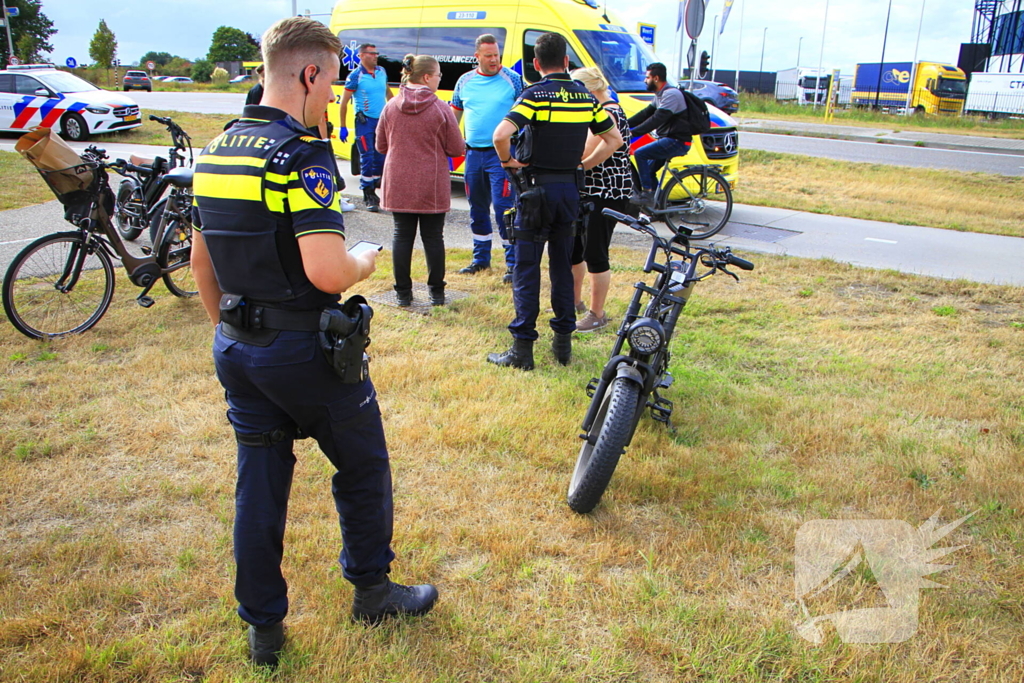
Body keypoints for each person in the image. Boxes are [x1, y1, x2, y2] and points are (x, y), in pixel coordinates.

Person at [189, 17, 437, 667]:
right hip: (308, 354)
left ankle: (263, 627)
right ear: (308, 74)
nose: (334, 96)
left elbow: (200, 265)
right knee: (362, 465)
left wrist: (233, 332)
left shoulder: (214, 152)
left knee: (260, 482)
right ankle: (373, 589)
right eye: (331, 82)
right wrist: (364, 256)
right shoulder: (299, 154)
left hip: (239, 350)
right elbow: (327, 270)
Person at [488, 32, 623, 370]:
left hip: (535, 194)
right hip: (570, 193)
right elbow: (613, 139)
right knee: (564, 268)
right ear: (566, 61)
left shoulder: (534, 95)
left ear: (536, 64)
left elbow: (500, 135)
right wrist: (583, 165)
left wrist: (508, 162)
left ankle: (522, 350)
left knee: (526, 270)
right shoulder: (584, 97)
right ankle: (563, 347)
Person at [376, 55, 465, 307]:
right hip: (431, 181)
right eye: (438, 75)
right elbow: (456, 147)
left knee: (401, 236)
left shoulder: (391, 106)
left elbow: (380, 145)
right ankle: (436, 292)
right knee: (433, 237)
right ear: (427, 77)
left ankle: (403, 293)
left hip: (398, 179)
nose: (439, 79)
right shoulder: (440, 108)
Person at [450, 34, 523, 282]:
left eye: (496, 55)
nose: (494, 60)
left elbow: (526, 116)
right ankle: (480, 260)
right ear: (477, 57)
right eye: (488, 55)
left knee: (504, 209)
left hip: (500, 156)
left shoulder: (513, 80)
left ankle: (513, 264)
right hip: (473, 155)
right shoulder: (464, 81)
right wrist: (453, 142)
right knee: (477, 208)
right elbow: (455, 115)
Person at [569, 67, 634, 333]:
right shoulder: (601, 110)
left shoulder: (608, 113)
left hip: (606, 193)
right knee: (576, 249)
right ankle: (574, 302)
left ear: (587, 90)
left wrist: (577, 167)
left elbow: (586, 149)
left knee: (595, 252)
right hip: (589, 191)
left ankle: (597, 313)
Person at [245, 63, 355, 212]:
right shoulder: (258, 92)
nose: (332, 97)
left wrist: (325, 141)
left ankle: (335, 196)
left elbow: (321, 118)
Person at [628, 62, 691, 207]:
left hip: (677, 141)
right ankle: (660, 205)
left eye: (647, 77)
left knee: (640, 154)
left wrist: (632, 133)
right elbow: (645, 114)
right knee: (649, 170)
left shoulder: (671, 95)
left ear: (656, 78)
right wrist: (622, 124)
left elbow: (656, 120)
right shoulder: (660, 95)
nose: (645, 80)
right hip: (669, 139)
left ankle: (647, 194)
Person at [339, 43, 393, 212]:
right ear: (361, 56)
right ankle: (367, 192)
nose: (375, 56)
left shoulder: (381, 72)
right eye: (371, 54)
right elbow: (344, 102)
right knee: (367, 156)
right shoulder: (356, 76)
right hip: (365, 122)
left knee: (381, 157)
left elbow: (388, 93)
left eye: (376, 53)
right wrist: (343, 126)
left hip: (382, 121)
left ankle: (376, 189)